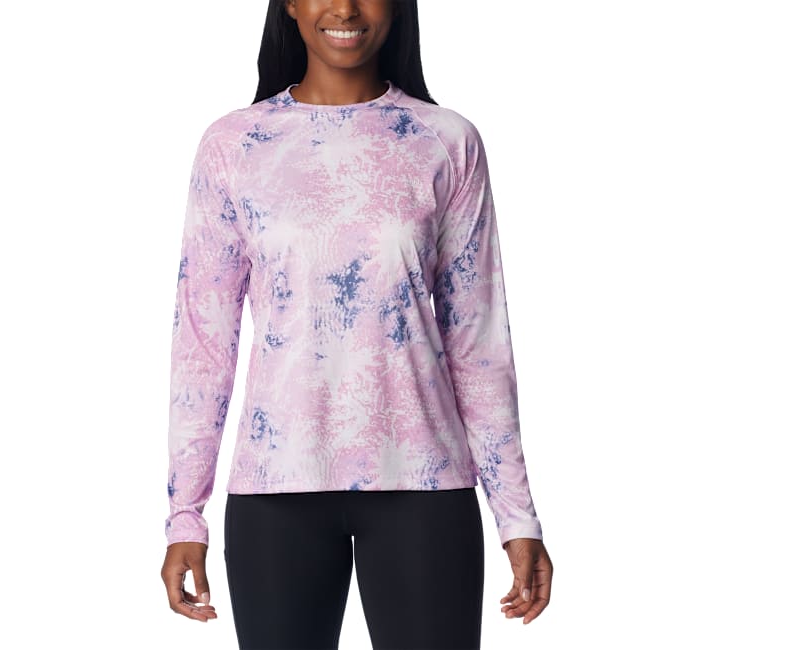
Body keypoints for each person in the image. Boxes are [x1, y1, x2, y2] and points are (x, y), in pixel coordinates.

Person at [160, 1, 554, 647]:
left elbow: (479, 343)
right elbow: (203, 343)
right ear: (290, 3)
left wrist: (517, 515)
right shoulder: (234, 146)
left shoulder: (445, 141)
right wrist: (185, 516)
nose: (344, 7)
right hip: (276, 485)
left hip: (425, 483)